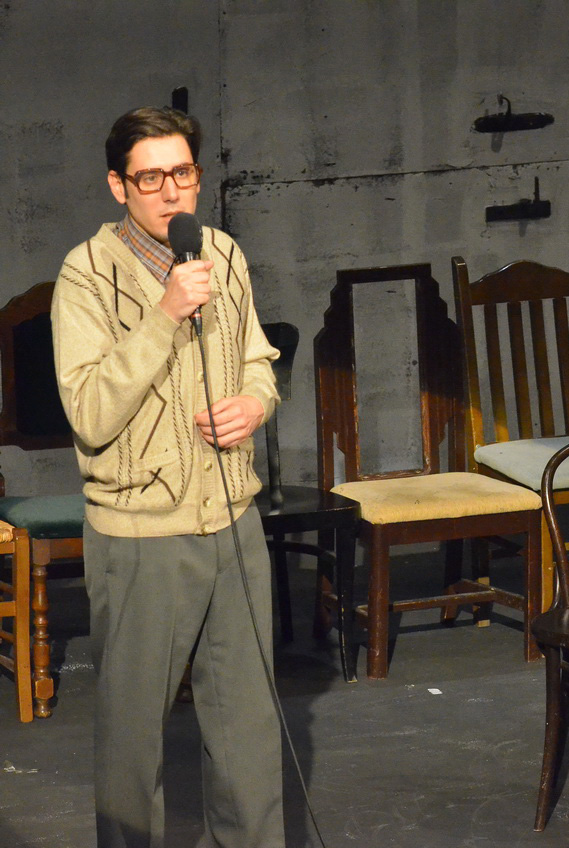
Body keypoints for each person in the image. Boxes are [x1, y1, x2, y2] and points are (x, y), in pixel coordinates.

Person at [51, 107, 284, 847]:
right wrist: (163, 316)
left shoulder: (222, 253)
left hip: (233, 522)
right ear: (118, 185)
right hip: (141, 537)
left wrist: (255, 403)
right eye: (149, 178)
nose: (170, 191)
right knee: (132, 739)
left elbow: (258, 360)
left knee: (248, 730)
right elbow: (89, 413)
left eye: (182, 172)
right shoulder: (86, 275)